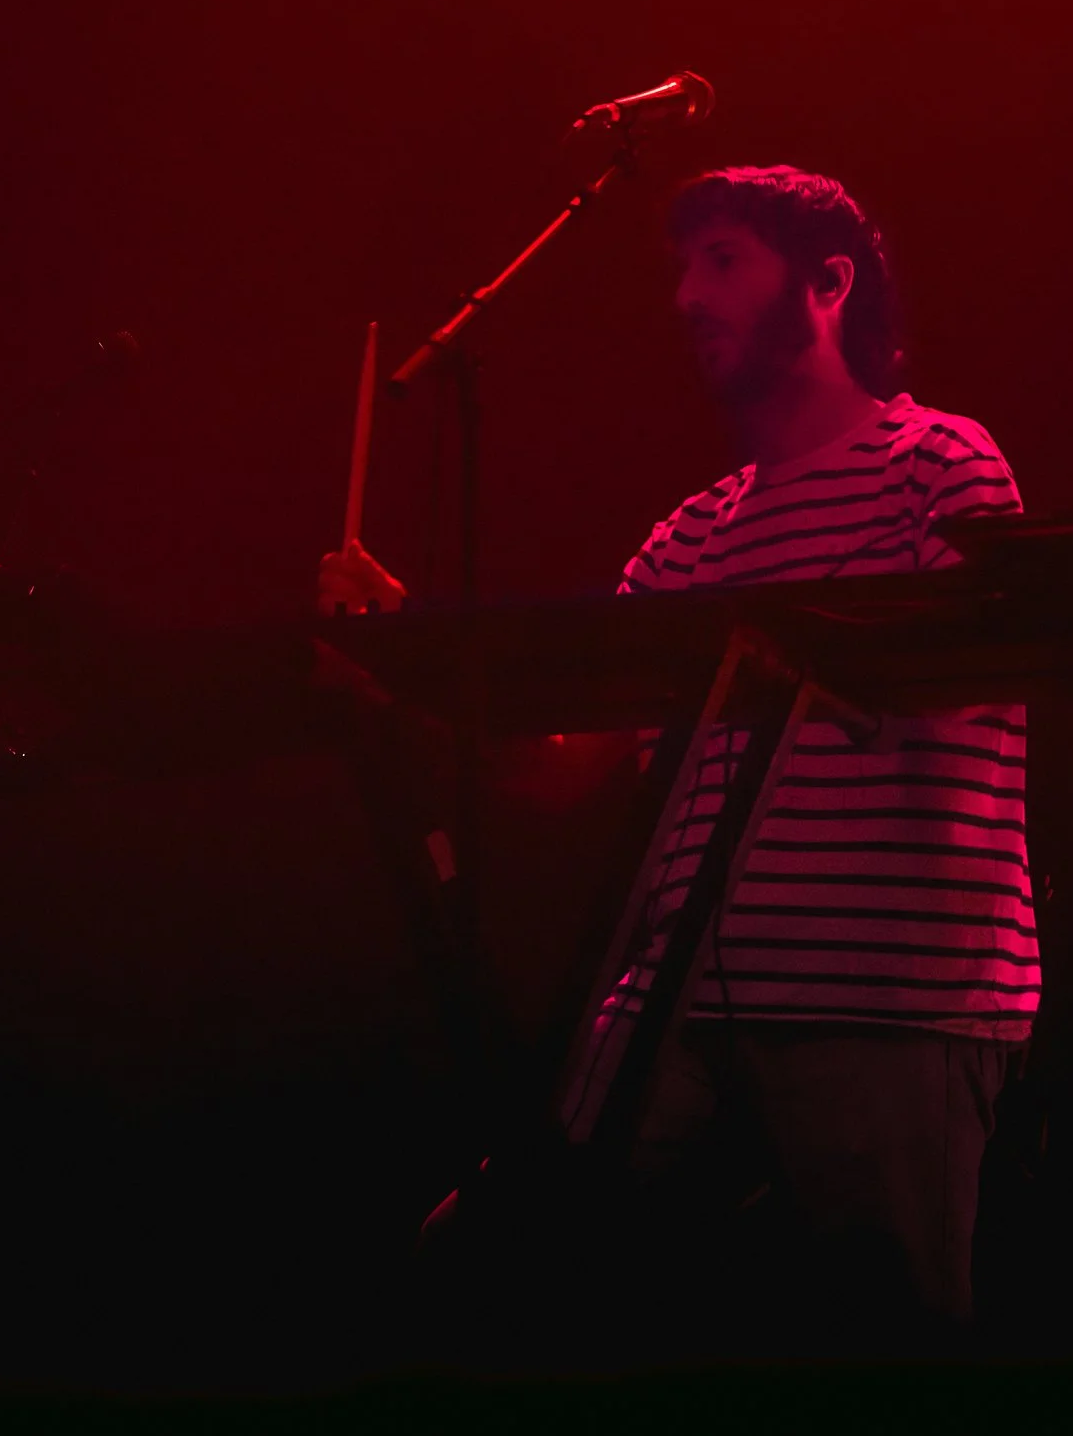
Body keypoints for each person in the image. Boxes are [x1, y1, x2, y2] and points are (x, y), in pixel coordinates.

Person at [320, 165, 1033, 1333]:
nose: (685, 298)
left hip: (886, 998)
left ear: (828, 282)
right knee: (482, 1262)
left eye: (723, 261)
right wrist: (403, 665)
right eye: (681, 268)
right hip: (675, 1001)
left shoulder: (940, 463)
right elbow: (558, 767)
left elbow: (966, 697)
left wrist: (801, 661)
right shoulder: (692, 534)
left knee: (886, 1345)